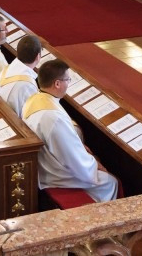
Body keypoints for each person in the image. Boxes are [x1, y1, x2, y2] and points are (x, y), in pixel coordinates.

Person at [22, 59, 118, 202]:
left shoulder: (35, 99)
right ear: (57, 84)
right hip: (54, 173)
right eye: (67, 79)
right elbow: (73, 159)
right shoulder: (54, 117)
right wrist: (94, 164)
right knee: (110, 182)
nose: (69, 83)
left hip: (43, 162)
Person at [0, 34, 41, 117]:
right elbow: (31, 114)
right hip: (10, 118)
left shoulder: (9, 67)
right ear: (38, 57)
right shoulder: (28, 84)